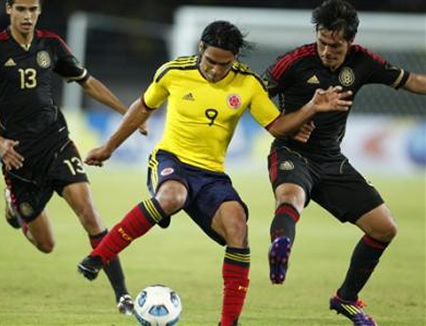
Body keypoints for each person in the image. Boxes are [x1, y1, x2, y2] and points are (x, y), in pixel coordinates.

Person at [75, 20, 352, 326]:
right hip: (172, 160)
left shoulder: (247, 84)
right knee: (173, 195)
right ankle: (98, 257)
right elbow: (141, 108)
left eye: (225, 64)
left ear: (234, 59)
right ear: (200, 49)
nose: (216, 70)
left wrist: (311, 109)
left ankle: (228, 322)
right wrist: (108, 147)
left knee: (238, 227)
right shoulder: (173, 72)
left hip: (211, 175)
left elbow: (276, 127)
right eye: (211, 61)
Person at [0, 0, 146, 314]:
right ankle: (14, 207)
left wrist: (129, 113)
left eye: (33, 9)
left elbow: (87, 83)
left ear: (39, 11)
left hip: (56, 143)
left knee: (88, 210)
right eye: (21, 9)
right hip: (18, 158)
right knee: (46, 245)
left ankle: (122, 295)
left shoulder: (51, 45)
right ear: (9, 9)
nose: (28, 16)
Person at [261, 0, 426, 325]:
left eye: (334, 46)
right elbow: (253, 95)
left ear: (350, 41)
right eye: (322, 42)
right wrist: (290, 119)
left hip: (331, 160)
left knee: (384, 229)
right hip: (291, 152)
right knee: (290, 196)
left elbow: (413, 82)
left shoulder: (364, 61)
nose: (326, 51)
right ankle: (281, 244)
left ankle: (345, 299)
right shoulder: (293, 62)